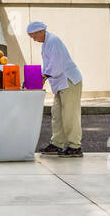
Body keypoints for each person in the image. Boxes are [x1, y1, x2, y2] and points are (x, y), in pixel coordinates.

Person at [27, 20, 83, 156]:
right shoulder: (46, 43)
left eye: (34, 36)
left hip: (69, 81)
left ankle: (75, 146)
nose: (34, 39)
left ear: (41, 31)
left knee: (70, 115)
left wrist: (42, 77)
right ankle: (57, 143)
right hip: (61, 83)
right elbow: (49, 66)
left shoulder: (53, 41)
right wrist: (40, 77)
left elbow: (56, 65)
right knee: (57, 114)